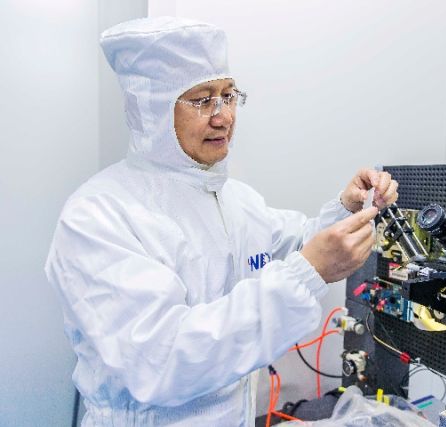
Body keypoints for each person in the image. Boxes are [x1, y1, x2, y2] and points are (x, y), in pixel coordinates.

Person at [45, 16, 398, 427]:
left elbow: (298, 244)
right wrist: (307, 274)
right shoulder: (98, 216)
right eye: (202, 100)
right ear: (152, 110)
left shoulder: (235, 200)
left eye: (229, 96)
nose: (223, 116)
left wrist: (346, 208)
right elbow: (162, 361)